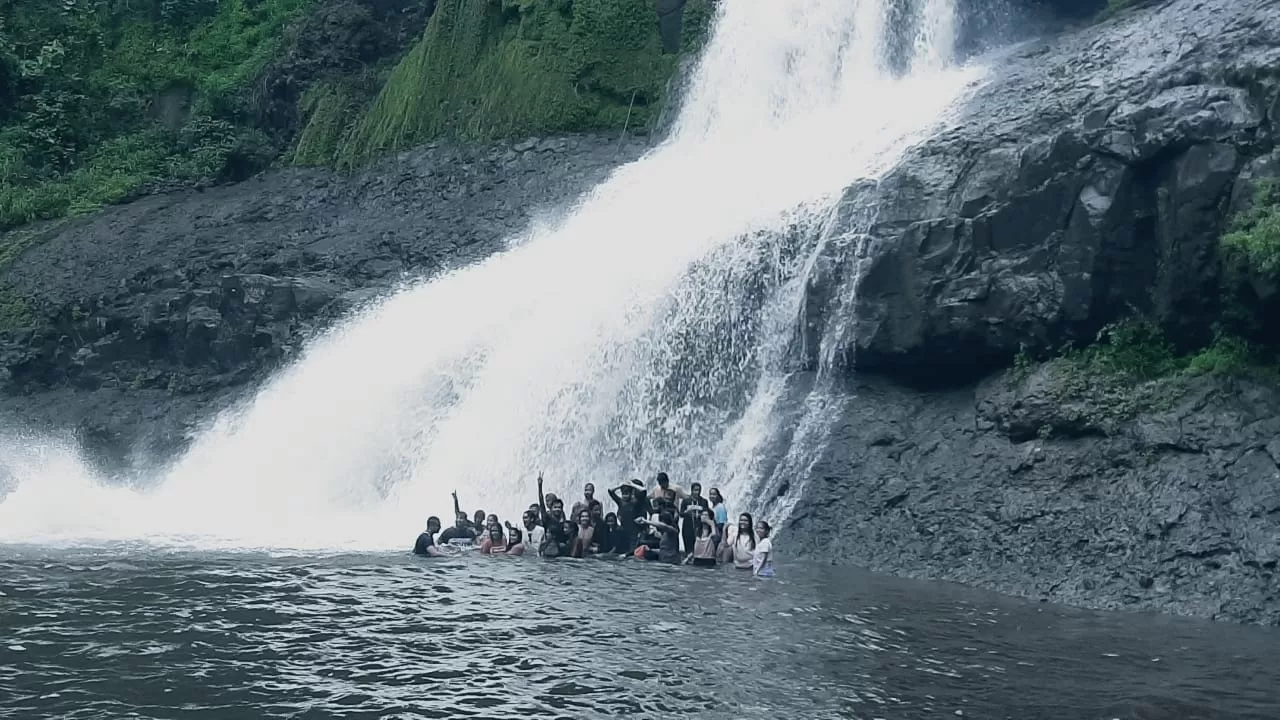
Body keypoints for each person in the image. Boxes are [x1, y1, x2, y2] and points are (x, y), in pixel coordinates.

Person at [608, 481, 648, 554]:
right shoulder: (621, 502)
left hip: (634, 533)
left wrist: (632, 485)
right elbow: (610, 491)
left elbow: (643, 491)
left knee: (632, 552)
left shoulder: (635, 503)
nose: (624, 496)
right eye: (623, 494)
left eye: (626, 494)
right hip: (623, 532)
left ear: (631, 493)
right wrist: (620, 485)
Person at [680, 483, 710, 555]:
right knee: (688, 547)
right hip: (687, 526)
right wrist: (687, 512)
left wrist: (700, 514)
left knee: (698, 547)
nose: (697, 492)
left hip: (699, 526)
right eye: (695, 490)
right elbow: (681, 514)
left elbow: (707, 513)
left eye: (699, 490)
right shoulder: (686, 501)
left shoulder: (703, 501)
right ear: (692, 490)